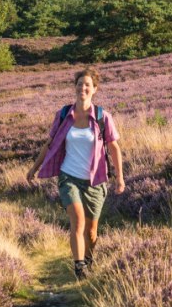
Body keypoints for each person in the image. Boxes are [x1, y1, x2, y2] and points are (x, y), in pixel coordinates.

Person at [26, 67, 124, 279]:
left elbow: (114, 148)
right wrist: (34, 168)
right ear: (75, 87)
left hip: (95, 181)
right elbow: (49, 144)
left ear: (94, 89)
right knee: (78, 221)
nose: (83, 88)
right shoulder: (63, 115)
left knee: (91, 231)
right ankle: (79, 269)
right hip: (68, 177)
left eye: (87, 84)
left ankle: (88, 261)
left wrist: (120, 177)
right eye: (80, 84)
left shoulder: (102, 117)